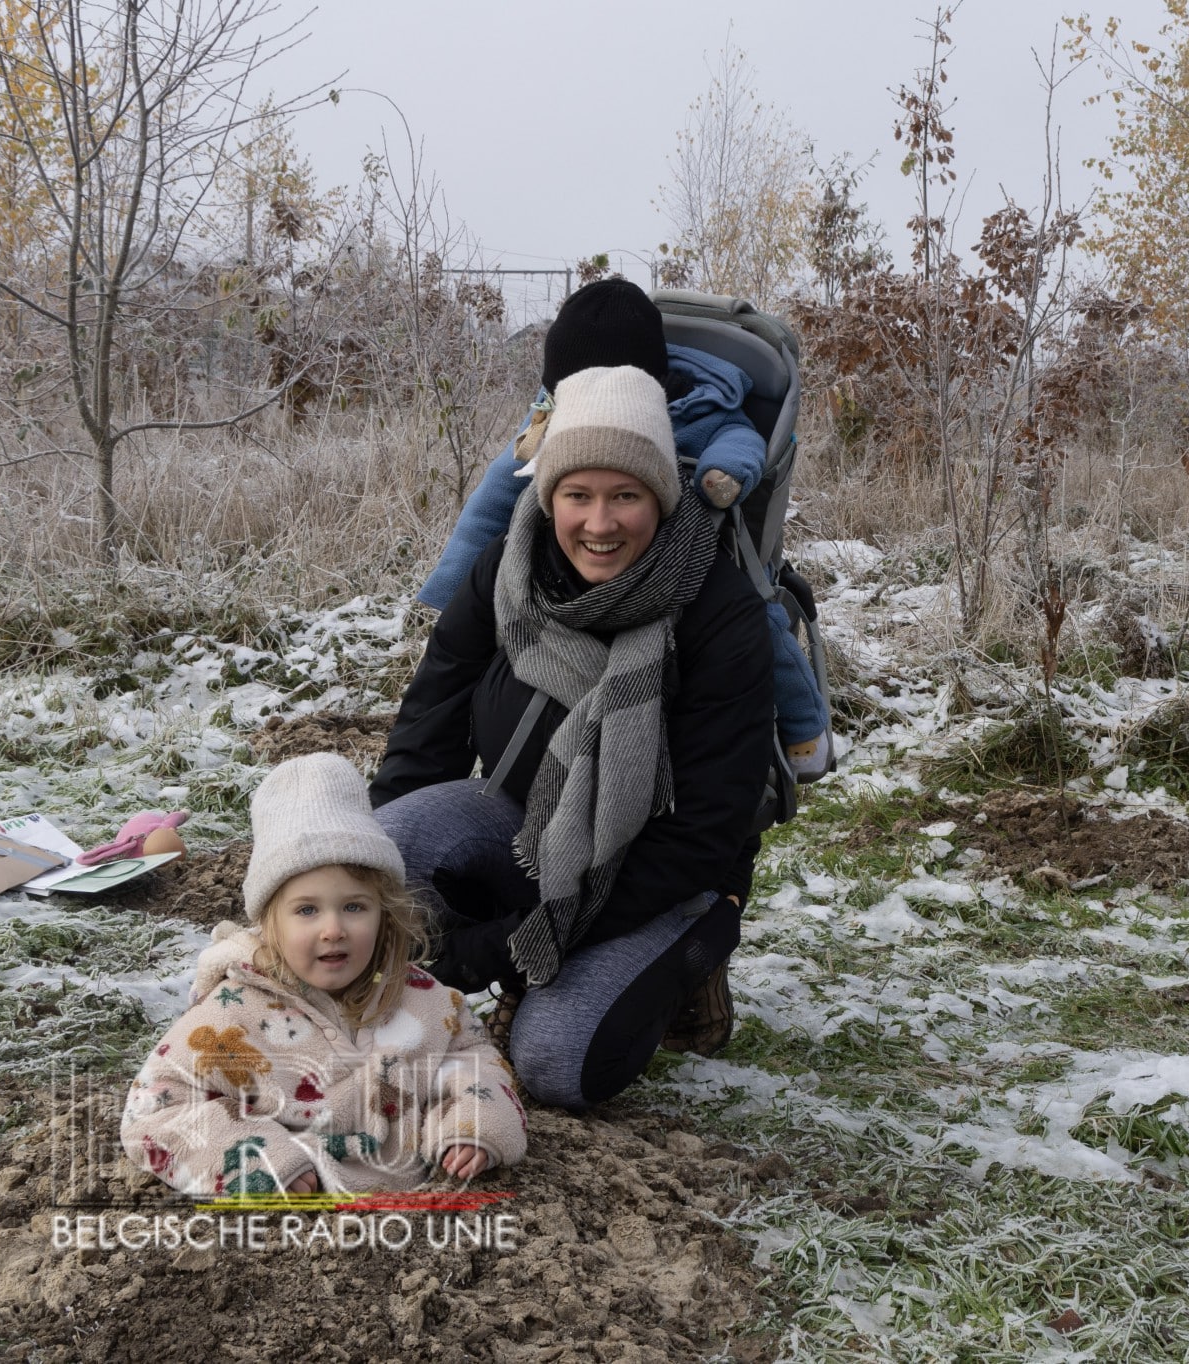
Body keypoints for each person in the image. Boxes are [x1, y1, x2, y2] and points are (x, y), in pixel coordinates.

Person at [369, 361, 773, 1111]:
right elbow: (431, 721)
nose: (599, 523)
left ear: (662, 493)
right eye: (577, 495)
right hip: (523, 825)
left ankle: (688, 962)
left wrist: (511, 945)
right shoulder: (509, 569)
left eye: (626, 495)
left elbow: (704, 832)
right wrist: (356, 885)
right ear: (547, 494)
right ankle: (421, 997)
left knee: (556, 1067)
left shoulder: (718, 610)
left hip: (661, 879)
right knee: (383, 851)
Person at [418, 279, 829, 780]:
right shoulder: (549, 419)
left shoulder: (700, 403)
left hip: (699, 545)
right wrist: (457, 584)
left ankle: (804, 730)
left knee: (761, 620)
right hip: (577, 562)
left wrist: (722, 476)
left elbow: (737, 437)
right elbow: (498, 493)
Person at [120, 754, 527, 1194]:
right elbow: (155, 1110)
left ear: (385, 913)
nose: (333, 930)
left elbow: (473, 1059)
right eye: (307, 910)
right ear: (269, 923)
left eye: (354, 906)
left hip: (424, 1217)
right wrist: (260, 1162)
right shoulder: (228, 1018)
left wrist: (472, 1125)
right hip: (291, 1229)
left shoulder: (423, 1000)